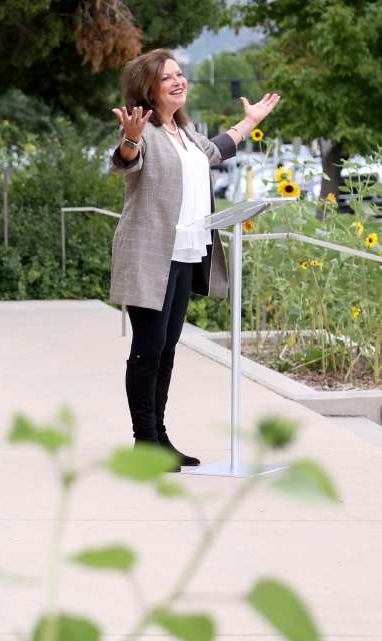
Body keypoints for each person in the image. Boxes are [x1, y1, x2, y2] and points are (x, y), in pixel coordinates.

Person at [108, 49, 280, 470]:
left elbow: (218, 149)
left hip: (187, 254)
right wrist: (130, 137)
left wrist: (251, 121)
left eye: (181, 74)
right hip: (150, 256)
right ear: (149, 88)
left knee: (166, 350)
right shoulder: (144, 131)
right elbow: (125, 161)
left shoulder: (185, 134)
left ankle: (159, 437)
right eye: (168, 77)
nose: (178, 81)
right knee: (147, 350)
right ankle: (144, 441)